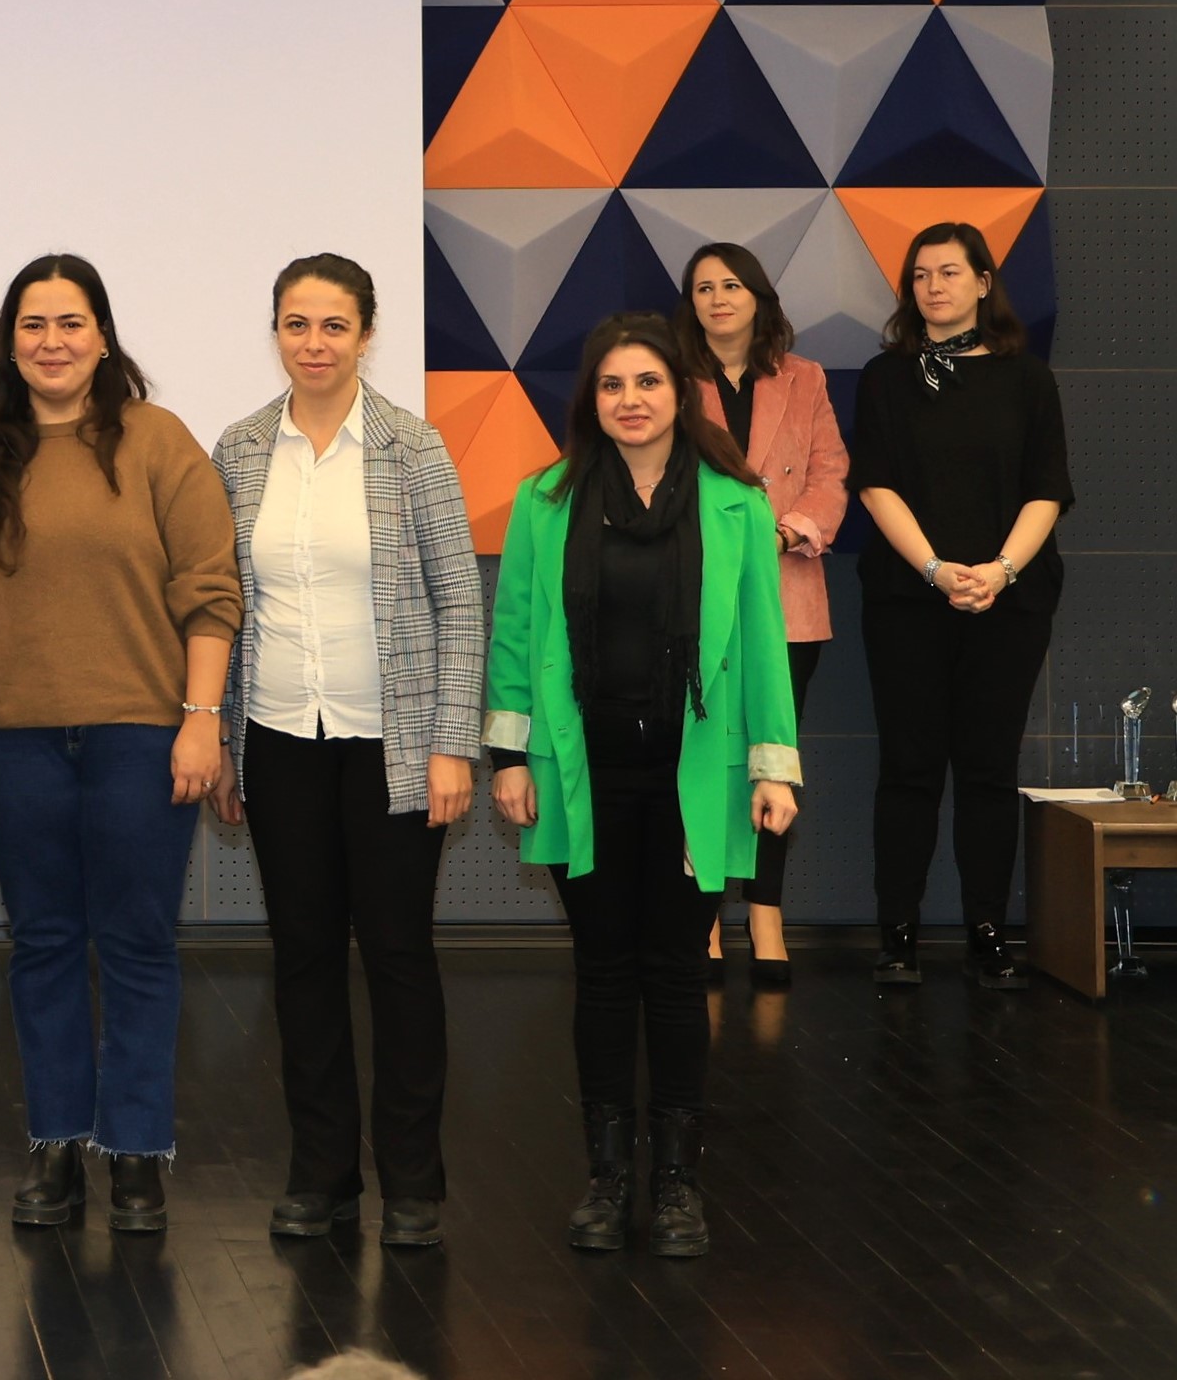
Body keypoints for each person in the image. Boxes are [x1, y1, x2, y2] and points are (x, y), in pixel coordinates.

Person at [0, 255, 239, 1235]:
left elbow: (209, 589)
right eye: (33, 324)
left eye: (71, 322)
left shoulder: (158, 441)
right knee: (43, 942)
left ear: (102, 337)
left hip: (143, 734)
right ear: (10, 342)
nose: (52, 341)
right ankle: (55, 1141)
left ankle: (136, 1150)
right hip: (10, 740)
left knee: (138, 941)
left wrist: (202, 717)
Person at [487, 313, 800, 1259]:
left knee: (673, 976)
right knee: (601, 974)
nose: (630, 401)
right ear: (592, 398)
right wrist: (509, 758)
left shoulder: (737, 504)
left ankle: (675, 1184)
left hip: (692, 777)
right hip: (583, 774)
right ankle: (606, 1177)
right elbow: (514, 636)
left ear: (681, 393)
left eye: (648, 382)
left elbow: (764, 645)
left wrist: (774, 766)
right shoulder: (544, 500)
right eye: (612, 385)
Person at [209, 254, 485, 1248]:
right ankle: (320, 1172)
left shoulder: (413, 446)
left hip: (394, 746)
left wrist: (452, 744)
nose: (314, 343)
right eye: (297, 323)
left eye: (334, 324)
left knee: (400, 956)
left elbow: (461, 602)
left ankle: (411, 1180)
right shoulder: (241, 448)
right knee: (304, 959)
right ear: (275, 332)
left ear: (367, 334)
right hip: (280, 737)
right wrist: (225, 740)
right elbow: (222, 606)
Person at [849, 220, 1073, 990]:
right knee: (908, 767)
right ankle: (898, 932)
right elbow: (875, 484)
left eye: (948, 272)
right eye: (920, 275)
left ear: (982, 283)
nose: (933, 287)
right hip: (907, 600)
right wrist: (937, 570)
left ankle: (987, 930)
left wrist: (1000, 572)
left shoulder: (1028, 379)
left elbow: (1048, 490)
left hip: (1009, 603)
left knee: (987, 768)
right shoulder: (886, 378)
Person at [676, 241, 846, 985]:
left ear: (758, 297)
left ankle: (767, 910)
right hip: (699, 595)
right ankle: (706, 911)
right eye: (704, 288)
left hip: (785, 589)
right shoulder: (670, 379)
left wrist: (781, 532)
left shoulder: (805, 378)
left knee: (775, 757)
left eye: (732, 285)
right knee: (703, 758)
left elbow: (830, 474)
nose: (718, 299)